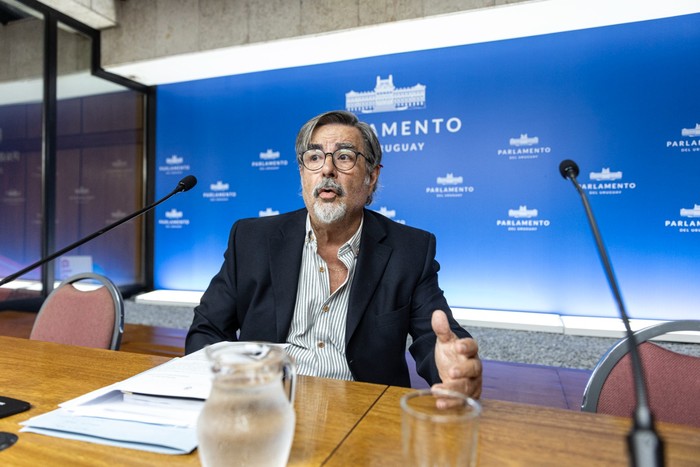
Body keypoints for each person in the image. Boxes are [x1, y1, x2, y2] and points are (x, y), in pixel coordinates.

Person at [185, 110, 482, 398]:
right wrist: (234, 387)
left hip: (363, 418)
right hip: (266, 405)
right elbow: (206, 330)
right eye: (314, 157)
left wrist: (454, 366)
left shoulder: (410, 250)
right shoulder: (251, 239)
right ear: (302, 173)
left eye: (344, 157)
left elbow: (437, 335)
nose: (327, 169)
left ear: (372, 176)